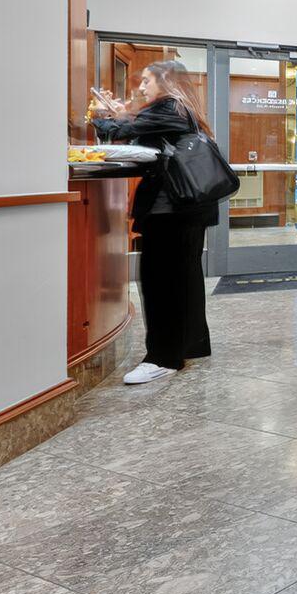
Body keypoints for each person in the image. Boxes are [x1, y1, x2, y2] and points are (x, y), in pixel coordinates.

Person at [92, 60, 216, 384]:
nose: (142, 88)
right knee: (185, 278)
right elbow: (138, 129)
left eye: (147, 81)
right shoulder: (182, 108)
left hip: (170, 209)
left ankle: (163, 357)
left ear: (165, 80)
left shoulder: (168, 106)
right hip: (189, 209)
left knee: (160, 282)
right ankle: (192, 343)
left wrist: (100, 114)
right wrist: (121, 113)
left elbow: (118, 131)